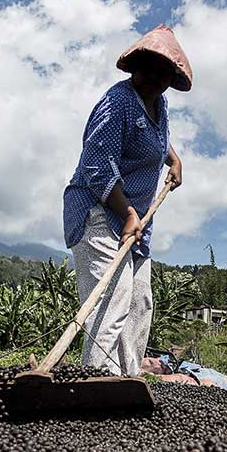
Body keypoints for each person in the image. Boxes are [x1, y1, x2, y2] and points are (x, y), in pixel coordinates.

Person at [62, 24, 193, 377]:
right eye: (147, 69)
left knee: (139, 301)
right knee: (112, 298)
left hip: (135, 221)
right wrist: (129, 212)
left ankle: (127, 380)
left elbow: (157, 139)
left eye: (162, 73)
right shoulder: (115, 103)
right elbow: (95, 165)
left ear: (169, 78)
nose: (153, 78)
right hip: (99, 213)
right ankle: (95, 378)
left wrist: (174, 159)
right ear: (135, 67)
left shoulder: (158, 104)